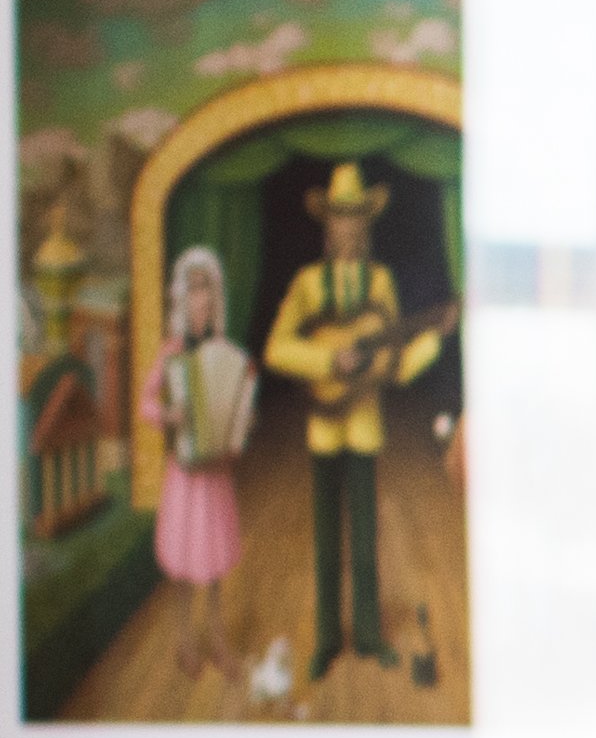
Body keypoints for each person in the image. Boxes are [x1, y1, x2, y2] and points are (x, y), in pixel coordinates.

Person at [256, 157, 445, 679]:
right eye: (341, 217)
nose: (349, 226)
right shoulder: (307, 284)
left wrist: (432, 341)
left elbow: (395, 361)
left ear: (367, 224)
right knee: (326, 539)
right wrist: (326, 361)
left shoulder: (382, 283)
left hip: (365, 424)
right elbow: (276, 348)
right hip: (324, 425)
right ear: (328, 225)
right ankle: (325, 640)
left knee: (365, 536)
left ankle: (368, 635)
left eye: (357, 217)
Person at [152, 244, 252, 605]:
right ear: (182, 297)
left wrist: (241, 422)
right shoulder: (173, 352)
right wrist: (168, 415)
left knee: (212, 552)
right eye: (194, 290)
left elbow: (235, 400)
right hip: (184, 470)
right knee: (183, 550)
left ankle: (216, 627)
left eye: (207, 289)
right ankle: (183, 630)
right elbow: (146, 403)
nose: (202, 299)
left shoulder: (226, 352)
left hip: (216, 470)